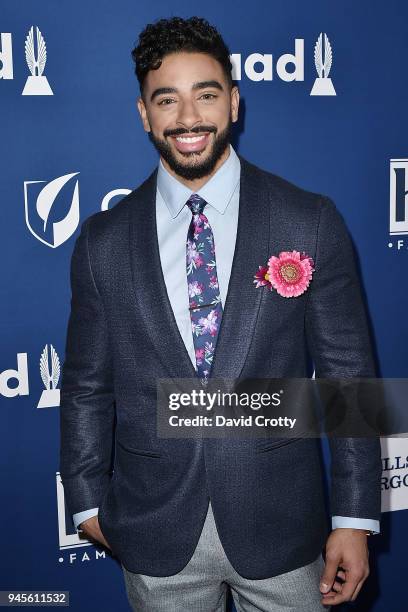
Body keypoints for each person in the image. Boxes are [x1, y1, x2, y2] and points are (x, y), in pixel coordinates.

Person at [59, 16, 381, 612]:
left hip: (283, 526)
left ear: (233, 102)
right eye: (167, 100)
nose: (188, 118)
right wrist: (84, 500)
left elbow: (348, 382)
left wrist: (355, 516)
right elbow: (83, 385)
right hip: (154, 530)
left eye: (205, 94)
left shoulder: (307, 220)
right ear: (144, 114)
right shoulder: (103, 241)